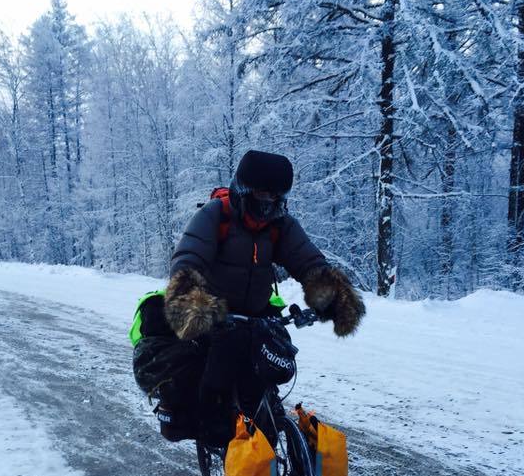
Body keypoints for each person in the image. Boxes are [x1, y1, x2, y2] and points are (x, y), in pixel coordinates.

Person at [133, 149, 365, 443]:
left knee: (273, 364)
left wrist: (334, 297)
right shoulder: (214, 217)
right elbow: (189, 259)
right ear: (243, 191)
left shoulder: (280, 225)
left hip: (256, 314)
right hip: (216, 313)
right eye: (261, 196)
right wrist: (193, 302)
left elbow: (307, 260)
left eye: (275, 197)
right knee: (217, 375)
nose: (268, 205)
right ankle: (214, 432)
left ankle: (266, 430)